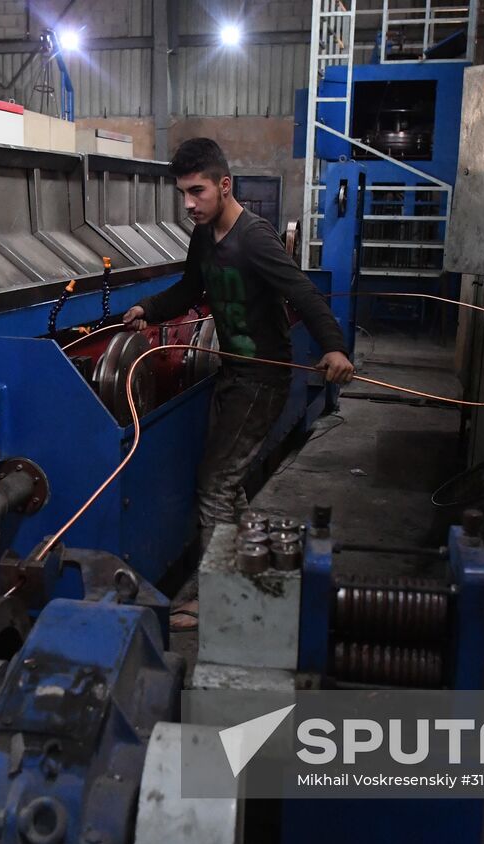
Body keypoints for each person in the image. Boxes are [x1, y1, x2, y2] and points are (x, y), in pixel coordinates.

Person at [122, 138, 355, 630]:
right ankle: (247, 572)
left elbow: (304, 293)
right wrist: (149, 309)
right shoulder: (204, 236)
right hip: (233, 375)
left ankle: (219, 600)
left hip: (263, 380)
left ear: (224, 185)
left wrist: (335, 347)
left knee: (214, 485)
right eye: (183, 193)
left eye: (197, 192)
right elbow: (190, 289)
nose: (189, 204)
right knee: (227, 487)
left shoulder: (256, 238)